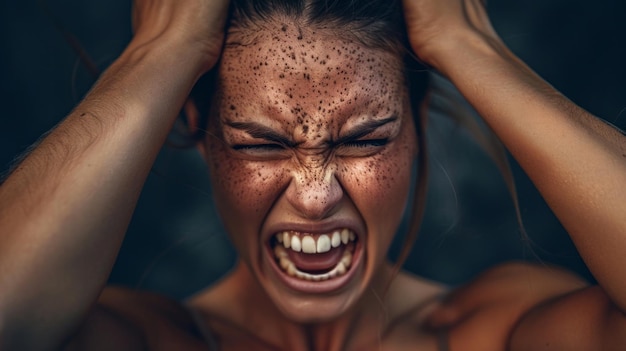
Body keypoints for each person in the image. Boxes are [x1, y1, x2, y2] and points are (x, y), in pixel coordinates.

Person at [1, 0, 625, 350]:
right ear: (196, 124)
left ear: (416, 126)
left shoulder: (492, 333)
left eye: (365, 139)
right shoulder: (151, 340)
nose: (316, 195)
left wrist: (466, 44)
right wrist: (162, 52)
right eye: (260, 144)